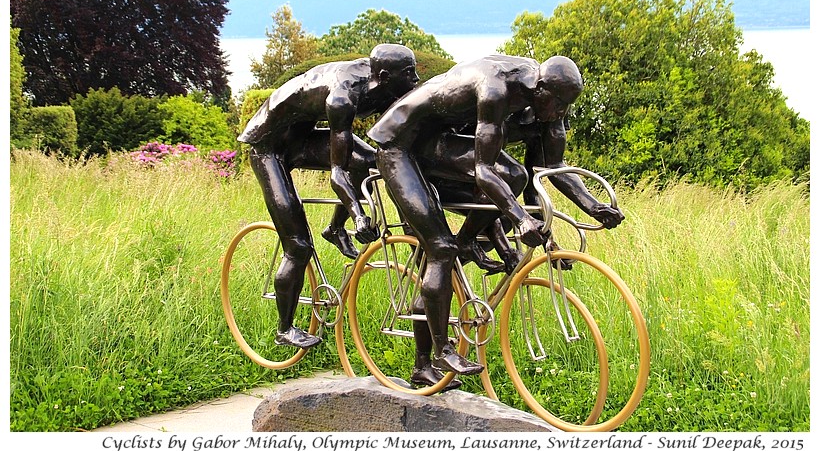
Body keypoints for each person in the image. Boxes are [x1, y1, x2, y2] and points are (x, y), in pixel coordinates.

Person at [366, 54, 623, 387]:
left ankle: (421, 365)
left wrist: (594, 205)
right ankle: (443, 348)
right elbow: (483, 169)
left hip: (438, 140)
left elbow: (549, 170)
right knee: (441, 250)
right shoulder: (496, 88)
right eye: (558, 105)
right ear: (541, 88)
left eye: (566, 108)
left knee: (514, 174)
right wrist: (519, 220)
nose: (560, 114)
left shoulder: (550, 101)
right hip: (399, 145)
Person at [238, 44, 420, 349]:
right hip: (268, 147)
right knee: (298, 246)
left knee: (370, 160)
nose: (416, 80)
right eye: (410, 73)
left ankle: (334, 229)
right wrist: (359, 214)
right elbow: (338, 172)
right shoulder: (343, 96)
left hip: (301, 136)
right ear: (386, 76)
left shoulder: (388, 85)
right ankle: (284, 328)